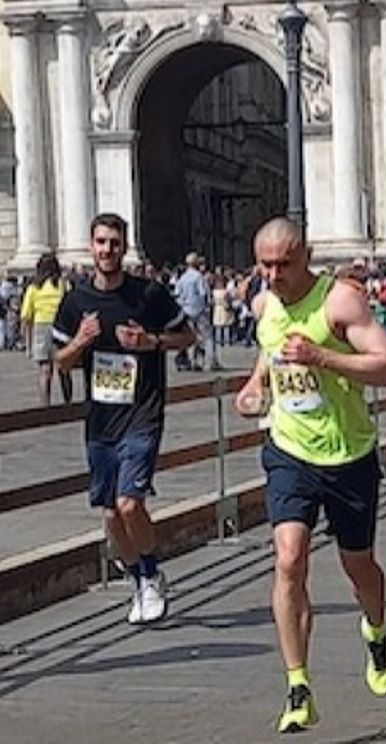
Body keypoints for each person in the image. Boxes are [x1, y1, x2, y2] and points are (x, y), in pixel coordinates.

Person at [233, 217, 386, 732]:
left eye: (284, 263)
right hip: (289, 450)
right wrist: (254, 387)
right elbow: (269, 349)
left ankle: (375, 632)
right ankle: (298, 684)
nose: (275, 275)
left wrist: (323, 356)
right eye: (266, 265)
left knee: (360, 567)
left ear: (305, 255)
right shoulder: (264, 305)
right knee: (289, 559)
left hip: (349, 455)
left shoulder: (340, 303)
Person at [52, 213, 196, 625]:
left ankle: (150, 574)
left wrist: (150, 342)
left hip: (143, 413)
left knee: (129, 502)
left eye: (114, 242)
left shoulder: (148, 294)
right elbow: (61, 362)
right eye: (100, 242)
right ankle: (138, 577)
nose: (107, 250)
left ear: (124, 245)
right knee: (110, 513)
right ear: (91, 245)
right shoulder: (76, 301)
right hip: (100, 420)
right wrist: (80, 340)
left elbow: (187, 336)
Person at [22, 254, 73, 406]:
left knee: (45, 370)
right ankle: (67, 403)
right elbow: (71, 307)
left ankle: (46, 406)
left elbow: (26, 317)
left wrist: (26, 341)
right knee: (64, 368)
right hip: (60, 328)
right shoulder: (63, 285)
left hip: (41, 328)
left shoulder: (34, 288)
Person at [174, 252, 219, 371]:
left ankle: (193, 361)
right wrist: (207, 306)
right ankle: (210, 362)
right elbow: (204, 293)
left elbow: (178, 294)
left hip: (186, 310)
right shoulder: (198, 277)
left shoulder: (182, 278)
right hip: (199, 310)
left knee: (191, 336)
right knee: (207, 336)